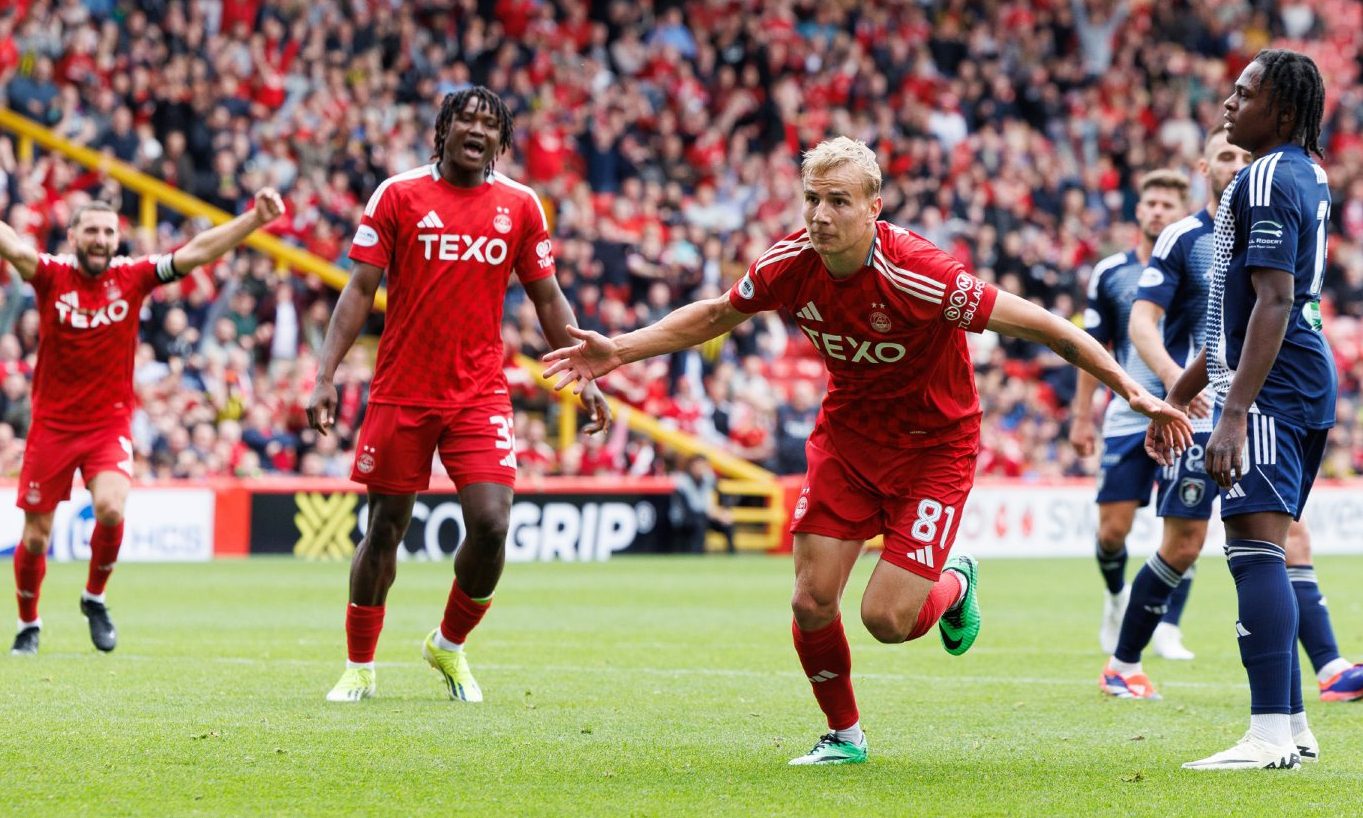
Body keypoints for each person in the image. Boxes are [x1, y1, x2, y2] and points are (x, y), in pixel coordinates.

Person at [543, 136, 1192, 765]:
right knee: (808, 598)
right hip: (849, 441)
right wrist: (620, 349)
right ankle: (842, 735)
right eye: (812, 200)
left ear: (872, 208)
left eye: (838, 201)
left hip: (934, 448)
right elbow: (716, 314)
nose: (821, 215)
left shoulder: (922, 275)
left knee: (885, 618)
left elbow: (1047, 327)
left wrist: (1133, 392)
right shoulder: (787, 263)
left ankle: (955, 580)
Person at [307, 86, 610, 704]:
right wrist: (324, 374)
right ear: (442, 130)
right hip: (401, 390)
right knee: (385, 527)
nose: (476, 129)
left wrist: (586, 375)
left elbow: (547, 297)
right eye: (465, 119)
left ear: (502, 141)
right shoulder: (398, 194)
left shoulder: (522, 205)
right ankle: (359, 665)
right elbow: (360, 288)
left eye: (490, 123)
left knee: (493, 524)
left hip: (478, 394)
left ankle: (447, 645)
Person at [1104, 125, 1363, 702]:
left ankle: (1329, 669)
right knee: (1184, 544)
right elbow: (1143, 321)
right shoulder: (1184, 237)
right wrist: (1174, 390)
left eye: (1244, 154)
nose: (1236, 163)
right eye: (1225, 155)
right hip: (1203, 412)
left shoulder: (1265, 220)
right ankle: (1123, 662)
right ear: (1204, 166)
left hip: (1255, 406)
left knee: (1291, 536)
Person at [1149, 49, 1334, 770]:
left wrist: (1230, 413)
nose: (1228, 103)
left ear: (1281, 111)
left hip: (1271, 385)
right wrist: (1182, 391)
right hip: (1303, 379)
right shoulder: (1307, 172)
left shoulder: (1259, 176)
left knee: (1252, 547)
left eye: (1244, 93)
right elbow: (1245, 305)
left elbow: (1271, 299)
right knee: (1269, 547)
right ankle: (1291, 727)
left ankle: (1264, 736)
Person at [4, 191, 285, 655]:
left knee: (112, 507)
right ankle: (28, 623)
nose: (100, 239)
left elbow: (194, 253)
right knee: (36, 538)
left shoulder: (131, 277)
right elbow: (12, 245)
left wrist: (253, 218)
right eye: (91, 231)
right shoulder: (52, 275)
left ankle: (94, 597)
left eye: (108, 232)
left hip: (106, 425)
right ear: (73, 235)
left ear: (119, 239)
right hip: (51, 427)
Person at [1069, 169, 1193, 658]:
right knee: (1111, 531)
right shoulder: (1110, 272)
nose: (1159, 211)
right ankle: (1118, 596)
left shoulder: (1201, 264)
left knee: (1184, 521)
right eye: (1152, 203)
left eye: (1169, 204)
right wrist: (1082, 416)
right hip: (1127, 414)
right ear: (1138, 211)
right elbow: (1089, 347)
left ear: (1182, 214)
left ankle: (1168, 625)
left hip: (1189, 410)